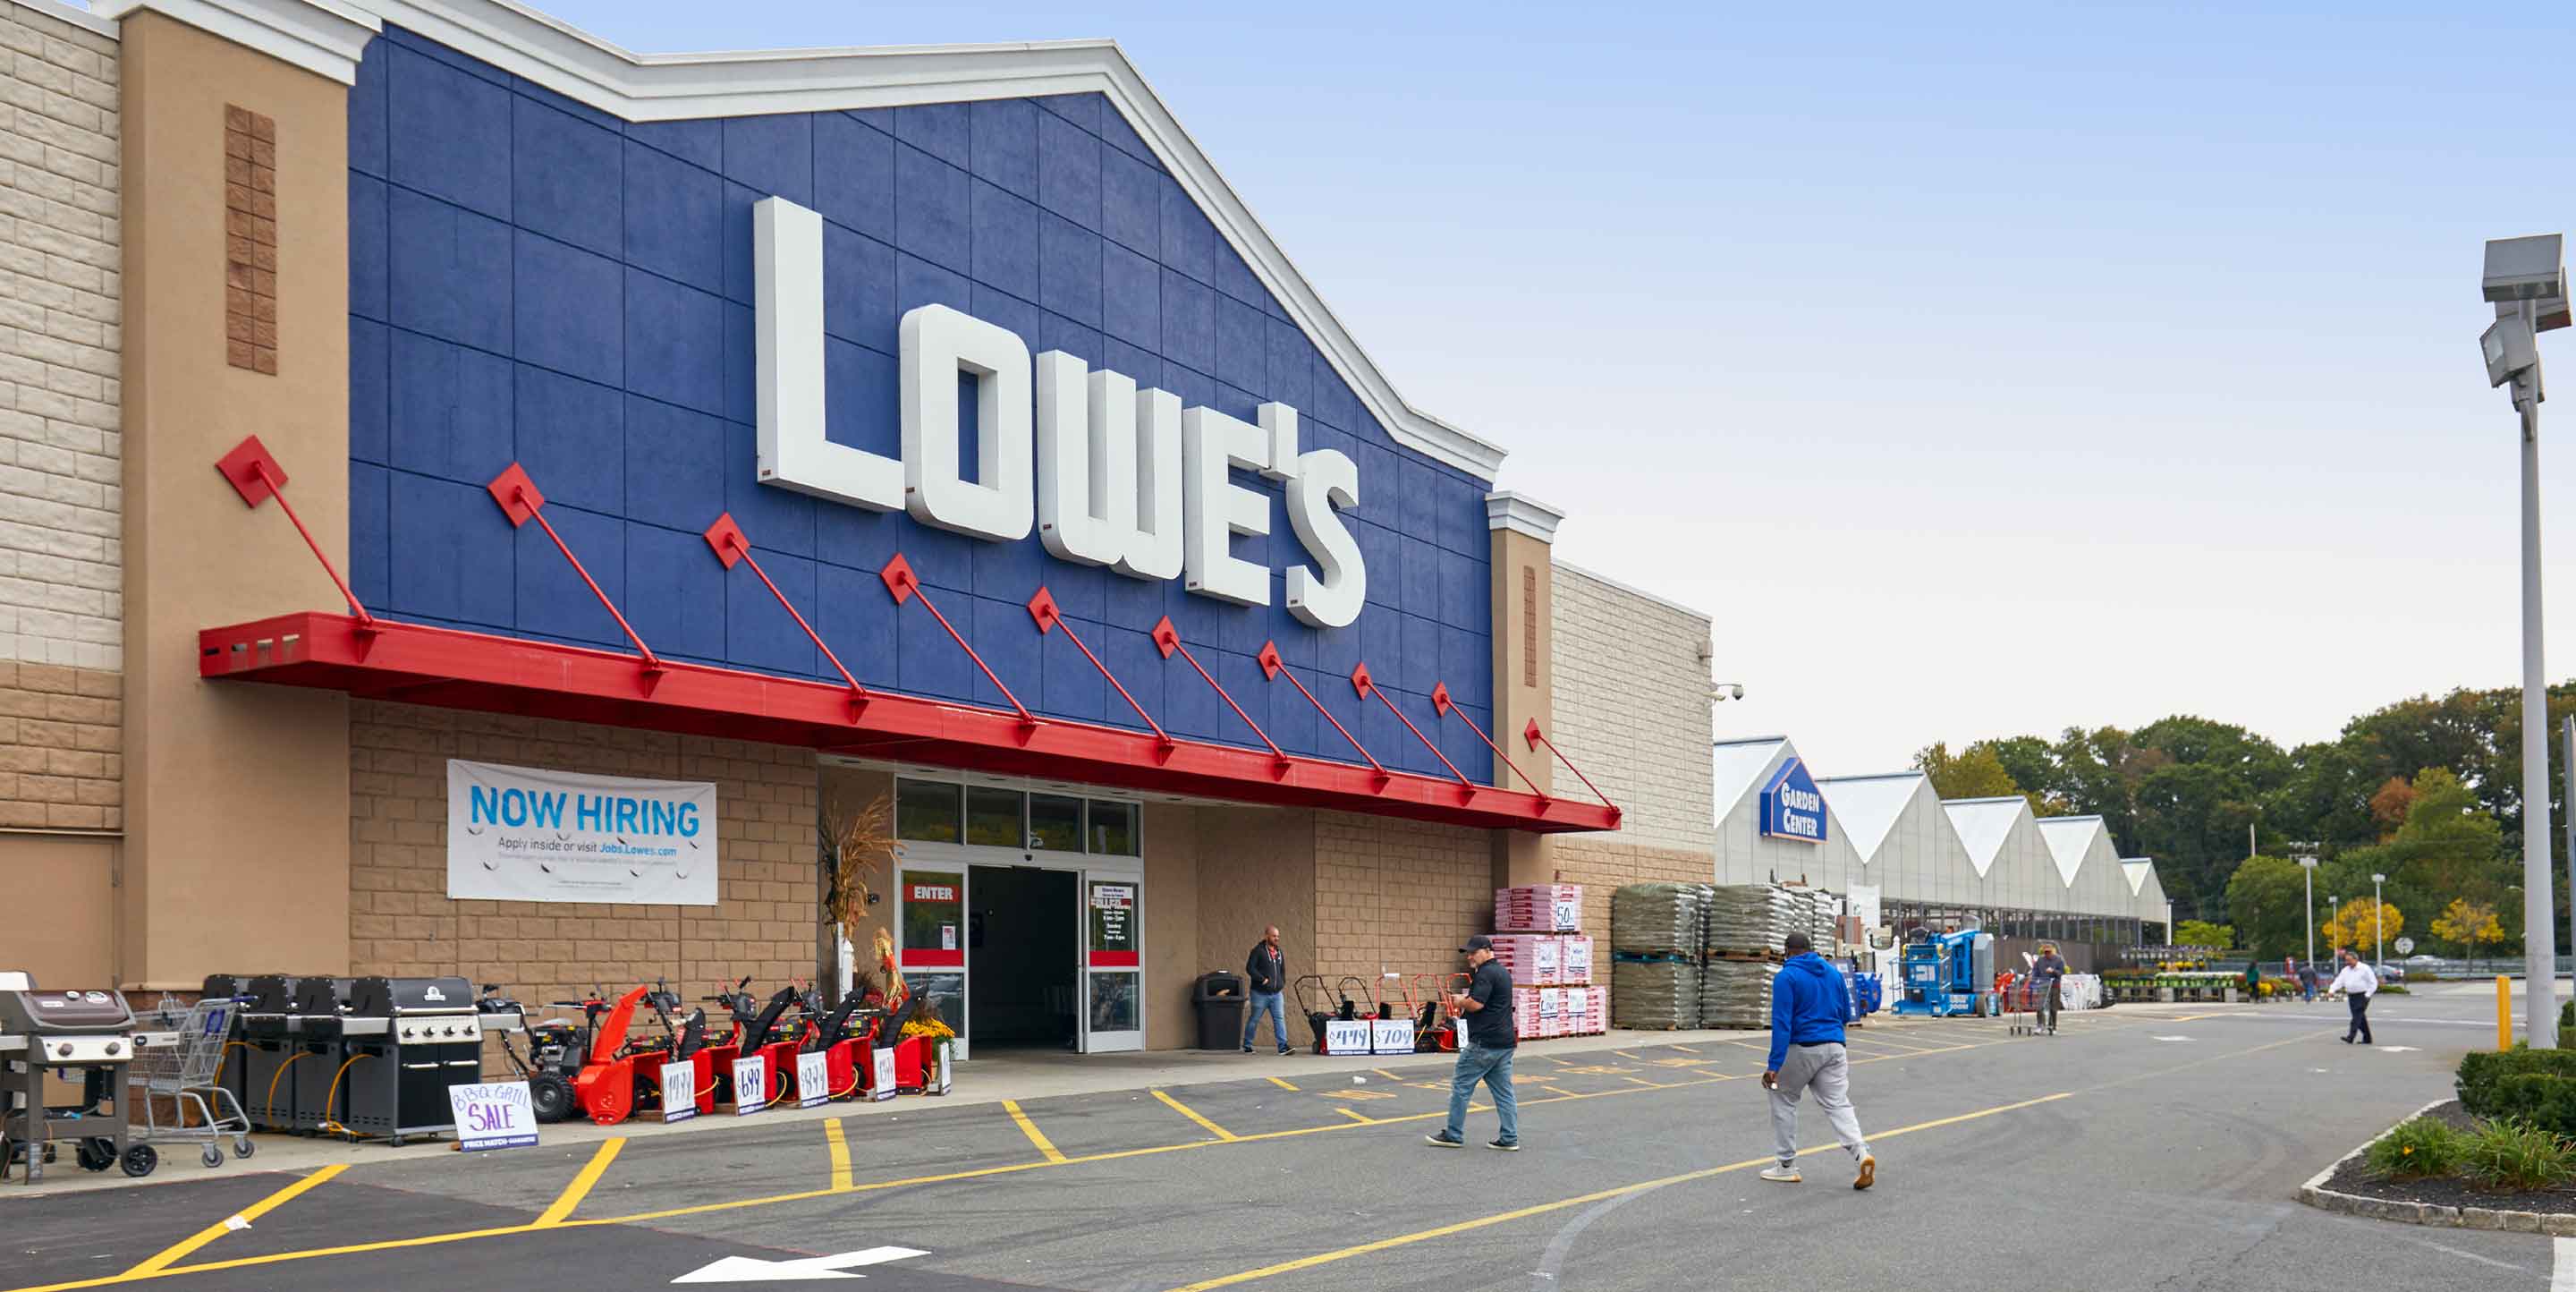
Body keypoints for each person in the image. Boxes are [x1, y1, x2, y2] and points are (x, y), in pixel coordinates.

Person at [1760, 931, 1875, 1189]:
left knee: (1783, 1098)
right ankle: (1861, 1153)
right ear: (1810, 949)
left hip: (1802, 1047)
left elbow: (1781, 1023)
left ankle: (1786, 1166)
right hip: (1835, 1047)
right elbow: (1847, 1012)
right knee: (1838, 1104)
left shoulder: (1786, 977)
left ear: (1786, 950)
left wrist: (1773, 1066)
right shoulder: (1834, 974)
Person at [1426, 935, 1519, 1151]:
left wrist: (1460, 1002)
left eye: (1473, 952)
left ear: (1487, 950)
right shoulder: (1503, 973)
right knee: (1504, 1093)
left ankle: (1453, 1134)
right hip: (1504, 1042)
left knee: (1461, 1086)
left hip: (1484, 1043)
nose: (1470, 957)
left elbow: (1476, 1004)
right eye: (1468, 953)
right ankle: (1509, 1137)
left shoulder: (1485, 973)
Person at [1241, 925, 1292, 1056]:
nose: (1277, 938)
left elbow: (1282, 970)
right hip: (1259, 994)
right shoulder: (1257, 951)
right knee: (1254, 1019)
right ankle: (1247, 1045)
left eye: (1278, 936)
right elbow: (1250, 968)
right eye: (1274, 936)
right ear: (1266, 936)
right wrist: (1262, 979)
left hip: (1276, 994)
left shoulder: (1279, 952)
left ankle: (1283, 1047)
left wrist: (1281, 982)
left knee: (1279, 1018)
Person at [2330, 948, 2378, 1045]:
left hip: (2363, 995)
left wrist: (2368, 995)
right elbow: (2339, 981)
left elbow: (2373, 983)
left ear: (2356, 960)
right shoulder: (2345, 970)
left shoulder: (2365, 968)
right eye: (2346, 960)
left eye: (2349, 960)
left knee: (2356, 1017)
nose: (2347, 962)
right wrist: (2331, 990)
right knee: (2360, 1018)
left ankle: (2351, 1037)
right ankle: (2367, 1038)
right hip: (2352, 996)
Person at [2029, 942, 2067, 1034]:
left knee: (2053, 1007)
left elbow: (2062, 972)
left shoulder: (2058, 960)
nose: (2047, 954)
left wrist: (2053, 971)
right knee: (2040, 1005)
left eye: (2049, 952)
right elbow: (2035, 971)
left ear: (2052, 951)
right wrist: (2032, 976)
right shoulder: (2040, 960)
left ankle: (2053, 1027)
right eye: (2045, 952)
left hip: (2054, 985)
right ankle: (2040, 1025)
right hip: (2043, 985)